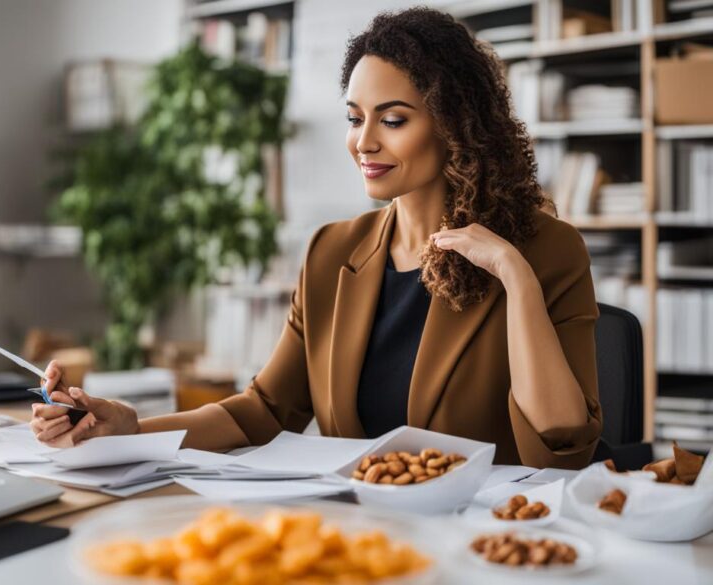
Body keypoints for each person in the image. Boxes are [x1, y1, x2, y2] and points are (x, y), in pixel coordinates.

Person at [31, 7, 602, 469]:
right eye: (356, 118)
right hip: (358, 531)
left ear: (457, 126)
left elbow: (563, 446)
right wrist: (129, 429)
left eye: (394, 120)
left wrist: (517, 281)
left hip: (484, 539)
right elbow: (260, 412)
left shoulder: (544, 250)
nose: (364, 142)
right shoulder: (332, 251)